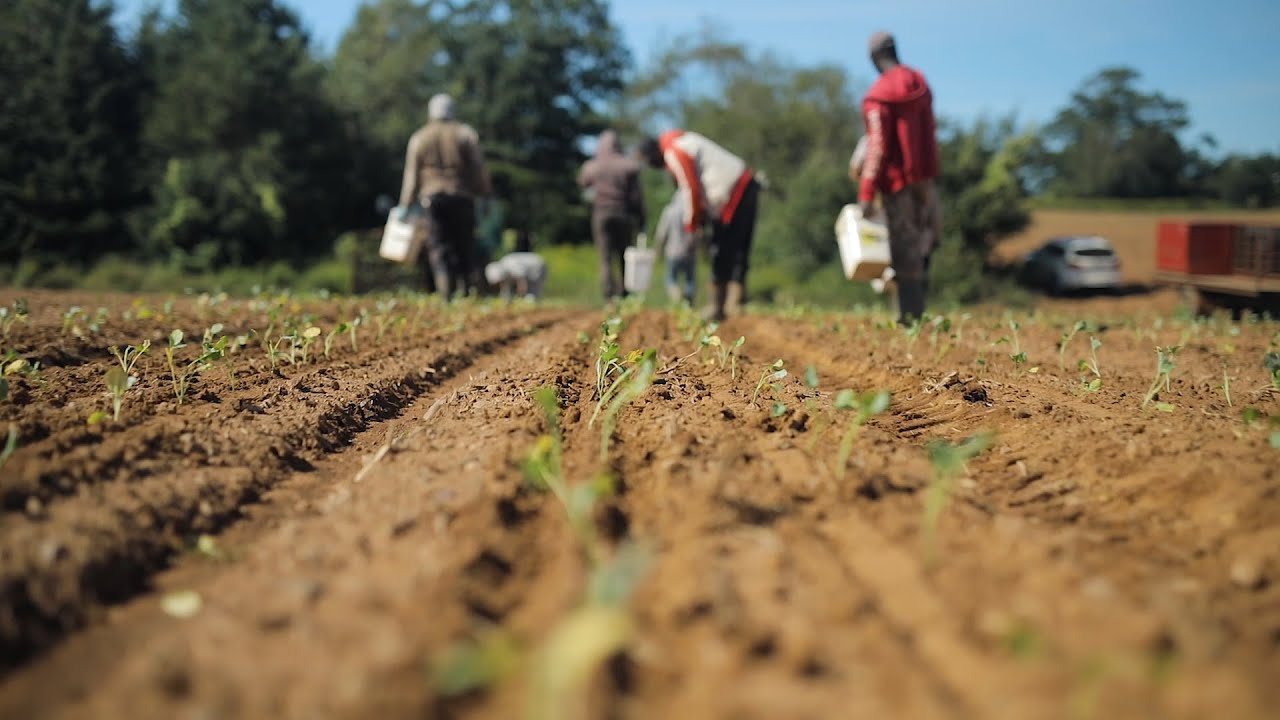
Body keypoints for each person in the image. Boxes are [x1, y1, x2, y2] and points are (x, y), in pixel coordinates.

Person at [858, 31, 942, 324]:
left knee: (904, 249)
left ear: (873, 58)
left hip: (897, 182)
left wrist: (867, 192)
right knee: (924, 242)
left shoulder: (878, 95)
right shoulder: (921, 83)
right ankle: (918, 314)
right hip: (926, 180)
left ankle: (910, 321)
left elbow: (878, 146)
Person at [641, 131, 760, 321]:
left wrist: (692, 225)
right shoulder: (683, 141)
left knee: (724, 246)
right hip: (745, 181)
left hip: (730, 192)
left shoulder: (674, 151)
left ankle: (720, 306)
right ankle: (733, 303)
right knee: (739, 246)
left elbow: (690, 189)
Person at [398, 93, 492, 301]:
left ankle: (446, 296)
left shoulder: (420, 137)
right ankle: (468, 292)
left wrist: (405, 204)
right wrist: (485, 195)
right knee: (464, 245)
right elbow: (478, 168)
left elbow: (411, 175)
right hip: (462, 196)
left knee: (439, 246)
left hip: (433, 199)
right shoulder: (465, 134)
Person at [578, 130, 645, 303]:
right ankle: (625, 292)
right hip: (623, 213)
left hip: (601, 213)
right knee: (624, 255)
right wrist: (640, 217)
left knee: (605, 257)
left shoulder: (593, 166)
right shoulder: (627, 165)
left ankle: (609, 295)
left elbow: (583, 183)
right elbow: (636, 196)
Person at [654, 190, 696, 304]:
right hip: (689, 252)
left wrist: (658, 250)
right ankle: (688, 304)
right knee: (690, 281)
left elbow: (662, 233)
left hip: (673, 251)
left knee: (671, 280)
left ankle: (676, 299)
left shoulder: (669, 211)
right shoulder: (691, 211)